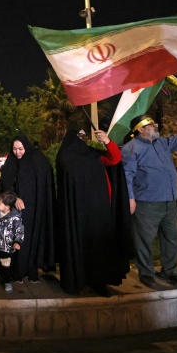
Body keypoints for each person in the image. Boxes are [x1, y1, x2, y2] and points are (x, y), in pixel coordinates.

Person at [121, 106, 177, 288]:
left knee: (171, 238)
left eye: (154, 123)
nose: (156, 125)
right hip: (147, 203)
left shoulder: (162, 143)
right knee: (144, 240)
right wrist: (130, 199)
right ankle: (146, 273)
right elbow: (127, 175)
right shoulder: (131, 148)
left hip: (169, 201)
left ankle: (170, 271)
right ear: (140, 129)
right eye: (151, 124)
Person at [55, 127, 134, 297]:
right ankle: (77, 281)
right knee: (79, 247)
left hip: (98, 212)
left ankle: (99, 282)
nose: (83, 138)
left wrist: (107, 141)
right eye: (79, 135)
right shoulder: (65, 156)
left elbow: (114, 159)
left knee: (99, 248)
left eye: (84, 135)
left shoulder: (94, 154)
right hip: (77, 212)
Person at [0, 135, 56, 283]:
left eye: (20, 149)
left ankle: (32, 270)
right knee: (18, 240)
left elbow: (45, 177)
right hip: (17, 212)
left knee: (32, 239)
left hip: (34, 210)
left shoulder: (36, 159)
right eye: (14, 149)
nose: (17, 152)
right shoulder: (12, 162)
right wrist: (15, 197)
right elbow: (5, 184)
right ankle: (18, 272)